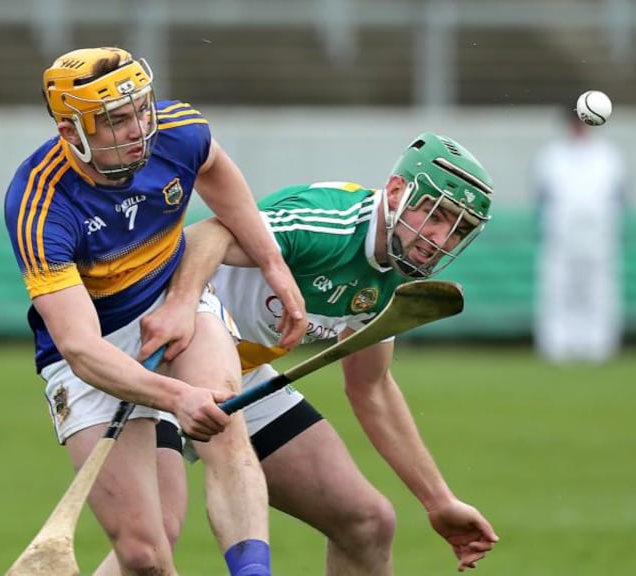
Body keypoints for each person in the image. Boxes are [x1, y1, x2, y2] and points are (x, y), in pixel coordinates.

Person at [107, 132, 500, 575]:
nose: (440, 237)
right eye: (436, 215)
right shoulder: (327, 226)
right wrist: (180, 307)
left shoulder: (397, 273)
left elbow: (370, 388)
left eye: (458, 229)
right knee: (150, 547)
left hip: (241, 377)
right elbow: (208, 235)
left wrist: (438, 501)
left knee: (367, 522)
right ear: (395, 192)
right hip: (164, 359)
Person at [3, 46, 307, 576]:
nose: (140, 128)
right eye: (116, 120)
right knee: (145, 555)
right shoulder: (40, 204)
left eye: (141, 109)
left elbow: (216, 171)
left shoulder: (178, 129)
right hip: (93, 349)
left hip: (173, 301)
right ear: (72, 130)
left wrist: (273, 265)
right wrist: (177, 398)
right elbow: (79, 348)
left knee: (227, 426)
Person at [533, 106, 627, 364]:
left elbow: (619, 197)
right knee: (560, 288)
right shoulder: (552, 156)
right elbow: (542, 196)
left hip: (599, 236)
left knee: (598, 289)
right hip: (560, 235)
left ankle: (598, 345)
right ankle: (557, 345)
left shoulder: (608, 155)